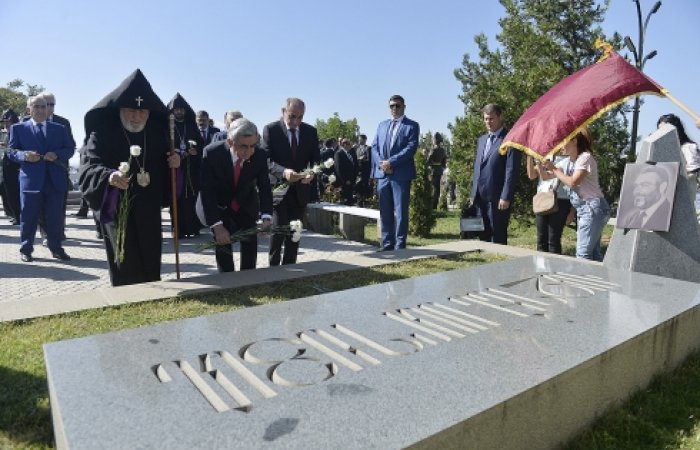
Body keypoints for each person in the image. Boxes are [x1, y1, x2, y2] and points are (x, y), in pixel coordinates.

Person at [78, 68, 180, 286]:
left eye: (142, 112)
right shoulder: (102, 132)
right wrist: (109, 176)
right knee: (125, 256)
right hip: (117, 205)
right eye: (132, 111)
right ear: (121, 109)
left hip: (148, 205)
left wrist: (175, 162)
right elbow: (89, 168)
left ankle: (153, 289)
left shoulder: (156, 132)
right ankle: (126, 295)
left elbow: (168, 160)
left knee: (150, 254)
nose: (137, 117)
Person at [199, 118, 272, 272]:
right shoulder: (212, 154)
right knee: (223, 248)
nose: (249, 151)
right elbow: (207, 192)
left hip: (246, 205)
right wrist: (217, 226)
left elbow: (265, 187)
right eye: (244, 146)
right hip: (220, 207)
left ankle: (248, 280)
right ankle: (227, 283)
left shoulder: (259, 155)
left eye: (253, 145)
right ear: (230, 142)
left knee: (249, 247)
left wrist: (267, 217)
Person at [7, 96, 74, 262]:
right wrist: (24, 156)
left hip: (54, 181)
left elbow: (70, 148)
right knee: (28, 217)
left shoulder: (59, 128)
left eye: (44, 107)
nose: (41, 110)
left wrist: (57, 154)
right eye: (36, 107)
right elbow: (11, 152)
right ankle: (26, 249)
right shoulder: (18, 128)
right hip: (31, 181)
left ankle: (57, 248)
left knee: (55, 218)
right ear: (28, 109)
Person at [262, 97, 320, 266]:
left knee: (295, 232)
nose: (296, 121)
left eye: (300, 117)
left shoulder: (310, 132)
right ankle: (273, 268)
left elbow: (316, 161)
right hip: (279, 191)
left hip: (300, 191)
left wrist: (312, 173)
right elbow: (265, 161)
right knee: (278, 230)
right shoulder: (271, 130)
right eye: (292, 116)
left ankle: (290, 268)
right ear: (283, 112)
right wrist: (284, 172)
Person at [542, 128, 611, 261]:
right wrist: (541, 165)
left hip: (593, 208)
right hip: (586, 210)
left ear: (574, 141)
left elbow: (573, 182)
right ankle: (601, 281)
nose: (560, 145)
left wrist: (554, 169)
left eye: (563, 141)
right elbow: (546, 177)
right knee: (594, 254)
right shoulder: (567, 162)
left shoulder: (585, 158)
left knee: (583, 254)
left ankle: (583, 281)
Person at [370, 95, 420, 251]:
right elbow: (374, 147)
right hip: (383, 175)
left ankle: (400, 245)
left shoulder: (411, 126)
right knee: (385, 212)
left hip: (401, 176)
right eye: (392, 106)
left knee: (401, 211)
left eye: (397, 105)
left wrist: (391, 162)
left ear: (404, 106)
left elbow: (411, 148)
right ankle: (387, 243)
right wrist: (383, 164)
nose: (394, 108)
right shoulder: (382, 125)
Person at [470, 103, 521, 245]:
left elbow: (511, 170)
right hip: (480, 197)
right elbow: (478, 168)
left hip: (498, 198)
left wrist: (506, 196)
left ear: (500, 117)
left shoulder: (509, 140)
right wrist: (473, 194)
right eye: (486, 119)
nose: (488, 122)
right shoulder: (481, 140)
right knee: (483, 235)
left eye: (491, 119)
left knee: (497, 236)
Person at [167, 93, 205, 238]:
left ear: (186, 111)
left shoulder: (191, 126)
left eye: (181, 109)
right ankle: (179, 230)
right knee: (176, 198)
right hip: (174, 169)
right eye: (176, 109)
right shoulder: (168, 125)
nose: (179, 112)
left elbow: (202, 145)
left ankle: (193, 228)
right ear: (172, 111)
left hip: (190, 168)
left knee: (191, 198)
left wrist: (196, 151)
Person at [526, 154, 572, 254]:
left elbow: (574, 186)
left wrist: (572, 212)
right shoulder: (545, 156)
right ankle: (541, 268)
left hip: (560, 200)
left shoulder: (567, 159)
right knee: (541, 239)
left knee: (553, 239)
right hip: (542, 198)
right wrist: (529, 157)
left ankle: (554, 268)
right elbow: (532, 175)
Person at [618, 165, 672, 231]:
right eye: (636, 186)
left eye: (645, 185)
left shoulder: (669, 215)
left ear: (662, 187)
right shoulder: (631, 219)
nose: (636, 191)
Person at [656, 114, 699, 185]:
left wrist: (672, 175)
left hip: (683, 190)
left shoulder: (688, 147)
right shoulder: (663, 150)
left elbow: (693, 170)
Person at [1, 109, 21, 225]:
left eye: (7, 121)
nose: (5, 124)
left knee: (15, 191)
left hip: (15, 166)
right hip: (7, 164)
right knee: (7, 191)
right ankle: (14, 213)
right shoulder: (6, 133)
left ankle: (18, 215)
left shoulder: (17, 130)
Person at [334, 138, 358, 205]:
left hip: (352, 180)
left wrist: (355, 177)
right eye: (349, 144)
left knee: (351, 199)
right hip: (344, 181)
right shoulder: (339, 154)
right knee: (345, 199)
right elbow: (339, 169)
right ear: (344, 145)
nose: (351, 145)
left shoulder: (351, 153)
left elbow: (354, 165)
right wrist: (345, 180)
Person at [427, 133, 447, 209]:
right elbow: (444, 162)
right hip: (439, 170)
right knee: (437, 188)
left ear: (435, 140)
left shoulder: (433, 150)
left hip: (433, 170)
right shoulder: (442, 150)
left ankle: (432, 204)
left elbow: (428, 161)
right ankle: (435, 204)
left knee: (433, 188)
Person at [355, 134, 372, 205]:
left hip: (365, 171)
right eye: (358, 139)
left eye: (360, 139)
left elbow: (369, 160)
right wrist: (359, 159)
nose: (359, 140)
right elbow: (356, 159)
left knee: (366, 186)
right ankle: (360, 200)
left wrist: (362, 159)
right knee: (359, 186)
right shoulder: (357, 149)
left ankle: (367, 200)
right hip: (359, 171)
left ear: (364, 140)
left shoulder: (368, 148)